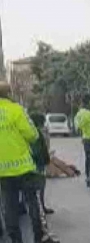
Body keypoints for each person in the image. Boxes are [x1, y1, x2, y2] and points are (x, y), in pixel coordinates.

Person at [0, 81, 60, 243]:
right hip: (24, 169)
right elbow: (32, 134)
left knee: (9, 208)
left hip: (3, 173)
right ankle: (40, 237)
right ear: (9, 93)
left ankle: (15, 240)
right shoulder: (16, 110)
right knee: (34, 203)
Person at [29, 113, 55, 214]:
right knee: (39, 189)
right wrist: (45, 161)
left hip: (36, 164)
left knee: (38, 189)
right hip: (37, 165)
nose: (44, 124)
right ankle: (40, 210)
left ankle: (40, 208)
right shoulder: (35, 133)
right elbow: (38, 151)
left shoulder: (36, 132)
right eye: (43, 122)